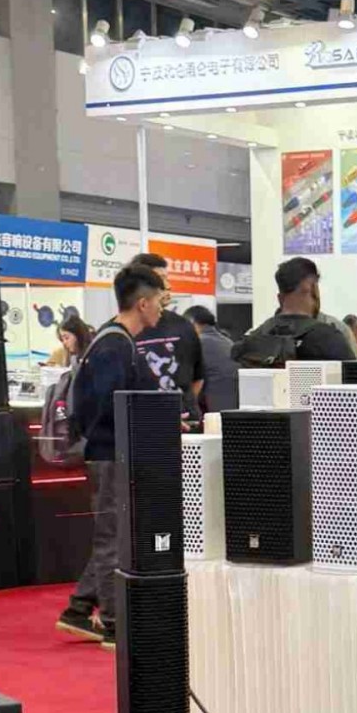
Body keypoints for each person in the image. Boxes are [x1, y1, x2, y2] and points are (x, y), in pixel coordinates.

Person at [57, 264, 165, 648]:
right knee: (112, 538)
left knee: (116, 533)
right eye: (159, 300)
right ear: (142, 303)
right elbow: (106, 408)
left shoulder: (115, 341)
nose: (162, 308)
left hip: (115, 452)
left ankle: (79, 608)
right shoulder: (114, 346)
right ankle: (115, 624)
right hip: (111, 454)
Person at [234, 256, 357, 364]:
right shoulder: (331, 339)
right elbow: (355, 379)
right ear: (314, 290)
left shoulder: (254, 338)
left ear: (280, 298)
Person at [126, 252, 204, 416]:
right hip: (143, 423)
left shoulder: (183, 326)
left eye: (167, 279)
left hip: (186, 422)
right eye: (160, 279)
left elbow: (197, 378)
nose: (168, 286)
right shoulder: (123, 332)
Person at [184, 304, 240, 412]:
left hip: (212, 409)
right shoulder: (227, 342)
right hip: (233, 406)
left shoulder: (197, 343)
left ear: (192, 322)